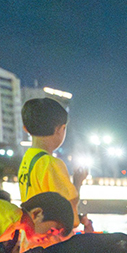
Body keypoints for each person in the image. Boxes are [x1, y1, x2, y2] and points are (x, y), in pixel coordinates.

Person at [17, 97, 87, 230]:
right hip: (51, 244)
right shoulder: (52, 164)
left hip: (30, 241)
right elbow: (69, 215)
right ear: (60, 129)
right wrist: (78, 183)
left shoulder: (27, 159)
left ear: (25, 129)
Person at [0, 191, 75, 249]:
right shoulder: (1, 217)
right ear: (37, 213)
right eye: (51, 231)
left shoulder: (12, 226)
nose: (48, 238)